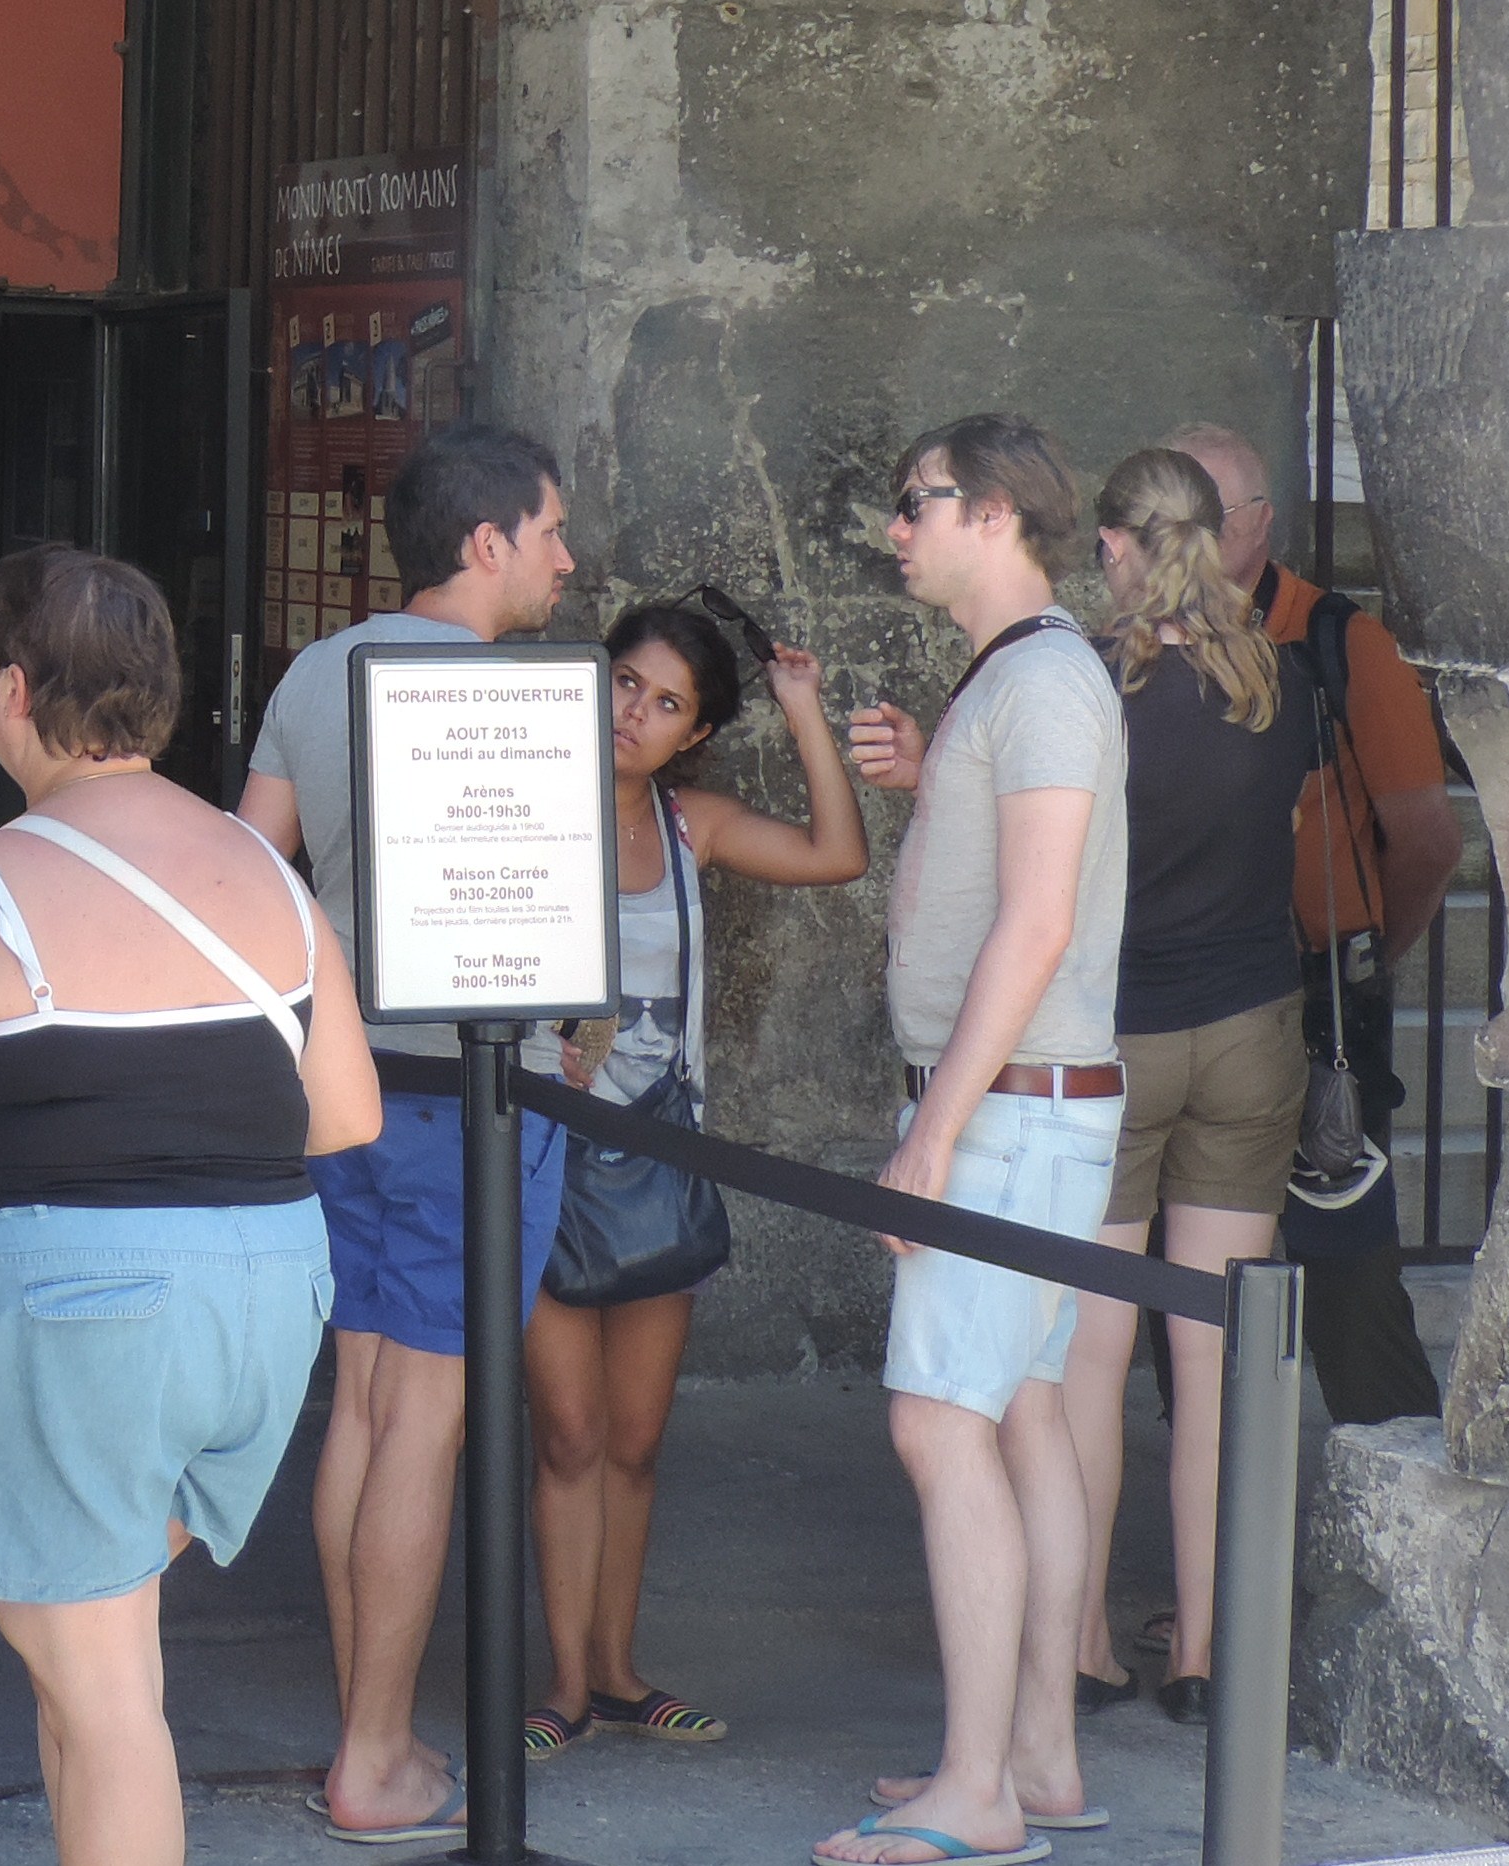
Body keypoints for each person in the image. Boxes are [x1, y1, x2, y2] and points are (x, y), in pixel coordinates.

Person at [0, 547, 385, 1866]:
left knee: (110, 1696)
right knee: (83, 1668)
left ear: (10, 690)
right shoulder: (262, 867)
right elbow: (344, 1114)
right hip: (267, 1300)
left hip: (86, 1312)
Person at [236, 418, 580, 1847]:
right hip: (469, 1092)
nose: (568, 557)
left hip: (345, 1078)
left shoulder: (316, 671)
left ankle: (362, 1724)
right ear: (485, 541)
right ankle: (374, 1752)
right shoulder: (514, 700)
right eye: (552, 531)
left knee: (367, 1403)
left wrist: (338, 971)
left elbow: (247, 863)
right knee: (423, 1417)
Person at [820, 415, 1133, 1866]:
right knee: (1017, 1413)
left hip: (1003, 1110)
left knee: (939, 1419)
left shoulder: (1049, 678)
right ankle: (1035, 1758)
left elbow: (1037, 919)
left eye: (915, 501)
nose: (895, 526)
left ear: (994, 510)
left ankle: (979, 1789)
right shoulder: (1021, 676)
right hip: (1022, 1104)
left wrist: (930, 1128)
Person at [519, 592, 866, 1767]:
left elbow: (836, 853)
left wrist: (804, 709)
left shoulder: (687, 828)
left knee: (633, 1440)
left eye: (664, 702)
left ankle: (617, 1674)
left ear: (693, 734)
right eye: (624, 682)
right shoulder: (514, 806)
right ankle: (563, 1682)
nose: (633, 712)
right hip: (544, 1159)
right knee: (564, 1435)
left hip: (657, 1164)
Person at [1055, 449, 1320, 1724]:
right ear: (1219, 539)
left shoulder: (1091, 686)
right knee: (1215, 1355)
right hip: (1251, 1022)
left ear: (1115, 544)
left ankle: (1083, 1640)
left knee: (1089, 1358)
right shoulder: (1280, 678)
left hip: (1119, 1032)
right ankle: (1207, 1649)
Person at [1164, 423, 1457, 1428]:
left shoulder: (1337, 641)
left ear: (1258, 525)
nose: (1186, 539)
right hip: (1185, 990)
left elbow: (1424, 839)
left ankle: (1398, 1536)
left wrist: (1365, 952)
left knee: (1345, 1275)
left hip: (1316, 994)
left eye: (1207, 515)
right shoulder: (1135, 649)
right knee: (1187, 1292)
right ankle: (1212, 1570)